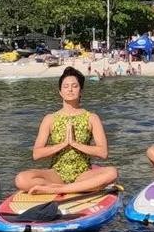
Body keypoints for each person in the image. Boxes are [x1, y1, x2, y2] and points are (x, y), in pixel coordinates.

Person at [14, 66, 118, 195]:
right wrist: (63, 144)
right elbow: (37, 154)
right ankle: (72, 188)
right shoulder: (50, 119)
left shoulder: (92, 118)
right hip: (56, 174)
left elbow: (103, 152)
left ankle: (59, 189)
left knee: (112, 173)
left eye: (74, 86)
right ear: (60, 92)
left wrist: (75, 144)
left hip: (83, 174)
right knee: (21, 179)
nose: (70, 89)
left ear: (81, 91)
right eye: (66, 86)